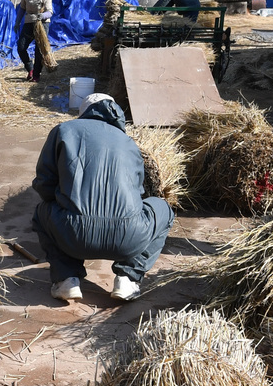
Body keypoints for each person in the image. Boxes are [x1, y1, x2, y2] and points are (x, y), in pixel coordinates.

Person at [31, 92, 174, 302]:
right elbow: (139, 192)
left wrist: (65, 200)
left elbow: (44, 183)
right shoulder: (128, 141)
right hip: (128, 238)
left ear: (83, 113)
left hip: (72, 234)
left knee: (41, 211)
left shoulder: (64, 130)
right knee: (164, 210)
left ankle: (66, 279)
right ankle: (128, 277)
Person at [17, 0, 54, 81]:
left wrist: (42, 16)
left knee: (39, 50)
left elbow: (50, 12)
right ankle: (30, 69)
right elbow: (22, 9)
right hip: (29, 22)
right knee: (21, 47)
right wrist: (17, 22)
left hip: (42, 24)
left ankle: (37, 74)